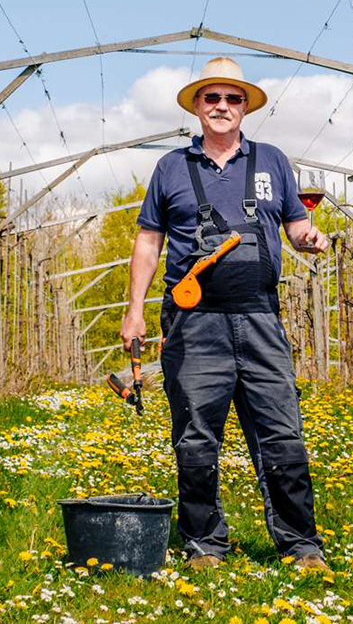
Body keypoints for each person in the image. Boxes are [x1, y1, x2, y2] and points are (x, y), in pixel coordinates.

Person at [120, 56, 331, 572]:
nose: (221, 107)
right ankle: (204, 545)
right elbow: (149, 242)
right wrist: (134, 311)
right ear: (197, 106)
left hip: (260, 319)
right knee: (195, 436)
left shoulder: (272, 161)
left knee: (281, 432)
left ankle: (301, 545)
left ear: (245, 107)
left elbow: (296, 226)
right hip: (194, 324)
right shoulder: (172, 167)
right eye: (211, 98)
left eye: (232, 98)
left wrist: (308, 239)